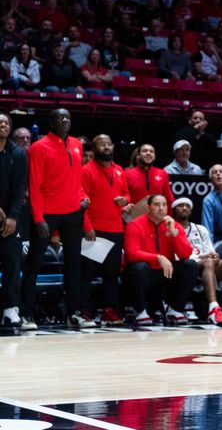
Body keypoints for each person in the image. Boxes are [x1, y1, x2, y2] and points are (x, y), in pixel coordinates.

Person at [22, 109, 92, 329]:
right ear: (50, 122)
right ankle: (27, 315)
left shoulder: (76, 144)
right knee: (34, 263)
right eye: (60, 118)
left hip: (73, 213)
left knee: (74, 265)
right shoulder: (38, 147)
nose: (65, 121)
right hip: (47, 214)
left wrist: (81, 197)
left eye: (68, 118)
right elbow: (34, 184)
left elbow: (76, 177)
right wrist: (38, 217)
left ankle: (74, 313)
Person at [123, 194, 199, 326]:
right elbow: (131, 254)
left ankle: (175, 310)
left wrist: (174, 233)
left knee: (190, 265)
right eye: (157, 205)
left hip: (165, 274)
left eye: (164, 205)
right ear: (148, 208)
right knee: (140, 267)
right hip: (143, 274)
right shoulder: (134, 225)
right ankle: (140, 311)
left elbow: (185, 254)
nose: (161, 208)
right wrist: (158, 258)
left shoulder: (173, 225)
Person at [173, 197, 222, 326]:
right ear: (174, 210)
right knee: (207, 262)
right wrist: (203, 258)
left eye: (187, 206)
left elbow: (211, 251)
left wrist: (215, 257)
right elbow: (175, 256)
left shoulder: (200, 229)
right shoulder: (172, 229)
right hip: (186, 268)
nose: (184, 208)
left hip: (206, 267)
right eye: (180, 206)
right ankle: (213, 308)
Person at [80, 134, 131, 326]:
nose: (106, 147)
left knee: (111, 274)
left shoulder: (119, 171)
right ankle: (83, 311)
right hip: (95, 230)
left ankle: (109, 310)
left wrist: (124, 200)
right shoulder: (86, 171)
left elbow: (126, 193)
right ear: (94, 148)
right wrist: (88, 228)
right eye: (102, 144)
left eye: (109, 144)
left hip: (116, 228)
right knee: (88, 273)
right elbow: (81, 202)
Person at [0, 114, 28, 331]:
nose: (3, 125)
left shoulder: (17, 153)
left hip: (9, 219)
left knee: (12, 263)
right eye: (0, 122)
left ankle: (11, 309)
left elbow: (20, 190)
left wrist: (12, 217)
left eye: (6, 123)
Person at [125, 143, 171, 209]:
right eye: (145, 151)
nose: (148, 153)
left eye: (151, 151)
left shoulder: (162, 173)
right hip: (134, 217)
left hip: (157, 217)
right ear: (138, 156)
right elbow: (123, 196)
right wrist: (124, 206)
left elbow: (169, 198)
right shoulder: (126, 174)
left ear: (154, 156)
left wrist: (169, 216)